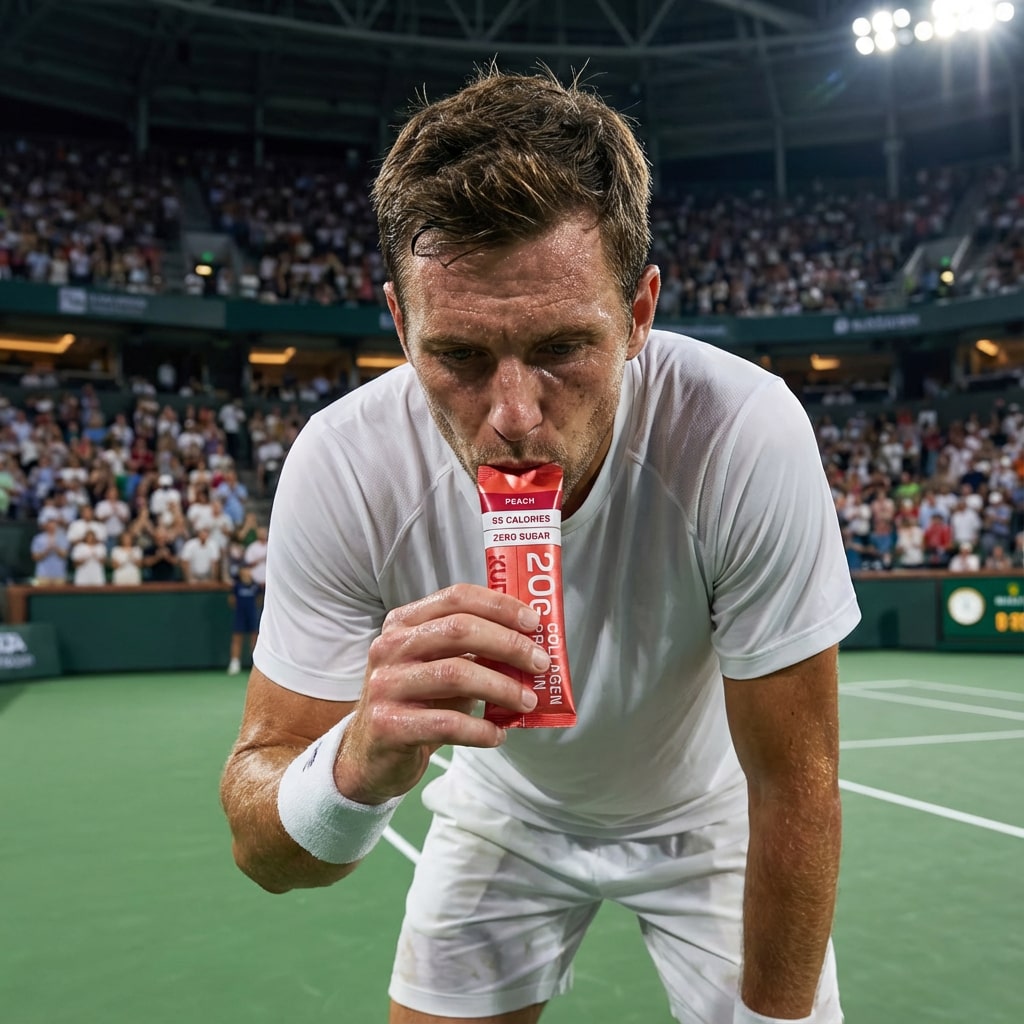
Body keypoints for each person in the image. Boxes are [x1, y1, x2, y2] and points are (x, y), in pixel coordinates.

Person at [220, 68, 860, 1024]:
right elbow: (266, 855)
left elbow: (793, 786)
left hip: (711, 814)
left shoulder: (742, 430)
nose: (513, 417)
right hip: (506, 809)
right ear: (400, 324)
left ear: (641, 314)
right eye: (459, 356)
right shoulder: (346, 465)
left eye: (563, 347)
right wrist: (354, 765)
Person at [227, 564, 261, 675]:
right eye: (244, 570)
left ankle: (256, 664)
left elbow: (259, 600)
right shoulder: (237, 586)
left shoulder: (256, 586)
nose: (246, 572)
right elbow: (232, 601)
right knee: (237, 638)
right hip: (240, 615)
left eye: (248, 570)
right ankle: (235, 663)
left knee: (254, 638)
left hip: (252, 615)